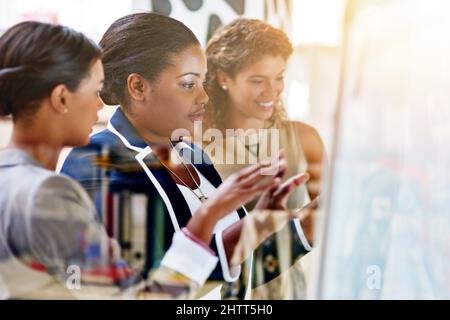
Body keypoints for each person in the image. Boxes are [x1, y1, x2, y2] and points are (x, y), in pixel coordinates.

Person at [0, 21, 281, 299]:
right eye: (95, 91)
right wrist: (208, 216)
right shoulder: (55, 188)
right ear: (62, 98)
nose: (100, 105)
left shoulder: (12, 178)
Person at [61, 12, 314, 299]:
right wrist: (215, 215)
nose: (204, 97)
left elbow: (238, 275)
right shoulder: (97, 163)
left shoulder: (192, 155)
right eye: (188, 84)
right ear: (138, 87)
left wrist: (303, 225)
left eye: (202, 83)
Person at [203, 18, 326, 298]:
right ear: (224, 79)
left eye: (279, 77)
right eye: (258, 80)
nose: (272, 91)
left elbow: (331, 220)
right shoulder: (196, 146)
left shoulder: (305, 140)